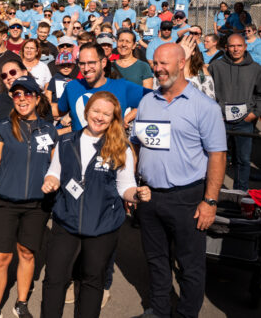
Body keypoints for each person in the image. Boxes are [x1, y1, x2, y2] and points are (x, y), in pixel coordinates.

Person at [131, 42, 227, 318]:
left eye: (164, 64)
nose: (157, 69)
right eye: (155, 63)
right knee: (156, 260)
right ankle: (159, 310)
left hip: (187, 198)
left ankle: (186, 314)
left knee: (190, 265)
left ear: (182, 63)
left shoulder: (204, 107)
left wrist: (210, 201)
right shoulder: (147, 101)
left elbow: (217, 156)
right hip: (150, 196)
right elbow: (137, 145)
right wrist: (134, 187)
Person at [41, 92, 150, 318]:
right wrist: (50, 181)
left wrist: (136, 195)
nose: (100, 117)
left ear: (114, 118)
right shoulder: (66, 140)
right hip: (66, 221)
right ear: (86, 111)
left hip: (102, 225)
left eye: (106, 114)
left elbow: (125, 186)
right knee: (54, 279)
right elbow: (55, 172)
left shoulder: (121, 147)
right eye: (96, 111)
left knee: (92, 281)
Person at [0, 76, 56, 318]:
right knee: (1, 257)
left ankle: (21, 302)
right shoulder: (4, 126)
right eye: (17, 94)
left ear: (37, 98)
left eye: (27, 94)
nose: (22, 98)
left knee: (27, 253)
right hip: (5, 202)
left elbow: (56, 167)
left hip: (37, 204)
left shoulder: (49, 129)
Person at [208, 33, 261, 192]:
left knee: (243, 160)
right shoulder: (216, 66)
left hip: (244, 122)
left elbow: (259, 94)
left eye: (239, 46)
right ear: (226, 47)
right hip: (220, 121)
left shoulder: (256, 69)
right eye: (232, 46)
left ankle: (240, 193)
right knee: (216, 157)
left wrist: (254, 113)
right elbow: (207, 92)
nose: (235, 49)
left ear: (245, 47)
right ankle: (215, 192)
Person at [57, 43, 146, 131]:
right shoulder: (72, 86)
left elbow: (155, 99)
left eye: (91, 63)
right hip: (78, 144)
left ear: (103, 62)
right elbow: (59, 110)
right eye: (82, 64)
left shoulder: (122, 86)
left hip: (113, 144)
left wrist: (128, 117)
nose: (86, 68)